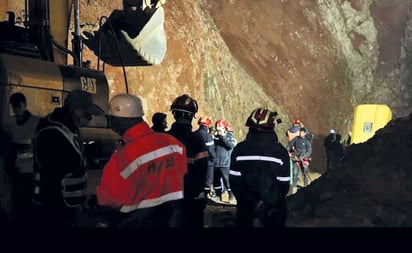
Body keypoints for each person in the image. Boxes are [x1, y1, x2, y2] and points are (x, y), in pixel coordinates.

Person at [96, 93, 187, 228]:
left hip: (135, 222)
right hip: (172, 219)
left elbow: (109, 199)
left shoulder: (122, 157)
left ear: (117, 120)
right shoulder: (175, 145)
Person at [32, 89, 105, 227]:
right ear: (75, 111)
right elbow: (54, 175)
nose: (90, 118)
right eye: (87, 114)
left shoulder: (68, 128)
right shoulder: (52, 133)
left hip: (66, 207)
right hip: (53, 210)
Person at [229, 108, 290, 227]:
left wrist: (248, 202)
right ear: (272, 127)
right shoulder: (280, 153)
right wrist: (267, 203)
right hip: (273, 211)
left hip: (245, 210)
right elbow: (283, 185)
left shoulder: (239, 150)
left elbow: (234, 182)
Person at [167, 94, 209, 228]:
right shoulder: (197, 140)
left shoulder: (162, 138)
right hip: (189, 195)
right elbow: (202, 170)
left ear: (174, 114)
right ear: (192, 116)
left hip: (165, 196)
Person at [6, 92, 40, 226]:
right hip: (17, 172)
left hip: (31, 172)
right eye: (14, 107)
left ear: (24, 105)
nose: (16, 109)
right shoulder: (10, 124)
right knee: (18, 203)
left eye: (18, 106)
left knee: (30, 202)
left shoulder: (36, 123)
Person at [212, 119, 236, 203]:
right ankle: (218, 196)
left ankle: (231, 196)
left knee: (227, 181)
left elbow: (231, 145)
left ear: (224, 129)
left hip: (225, 163)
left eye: (220, 129)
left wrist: (223, 137)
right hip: (216, 163)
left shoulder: (229, 135)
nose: (218, 131)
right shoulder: (215, 136)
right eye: (217, 129)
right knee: (216, 181)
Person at [195, 116, 216, 198]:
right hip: (208, 163)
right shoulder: (208, 137)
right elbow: (211, 151)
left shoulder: (195, 134)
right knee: (207, 181)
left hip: (196, 162)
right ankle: (205, 197)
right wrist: (214, 160)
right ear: (207, 125)